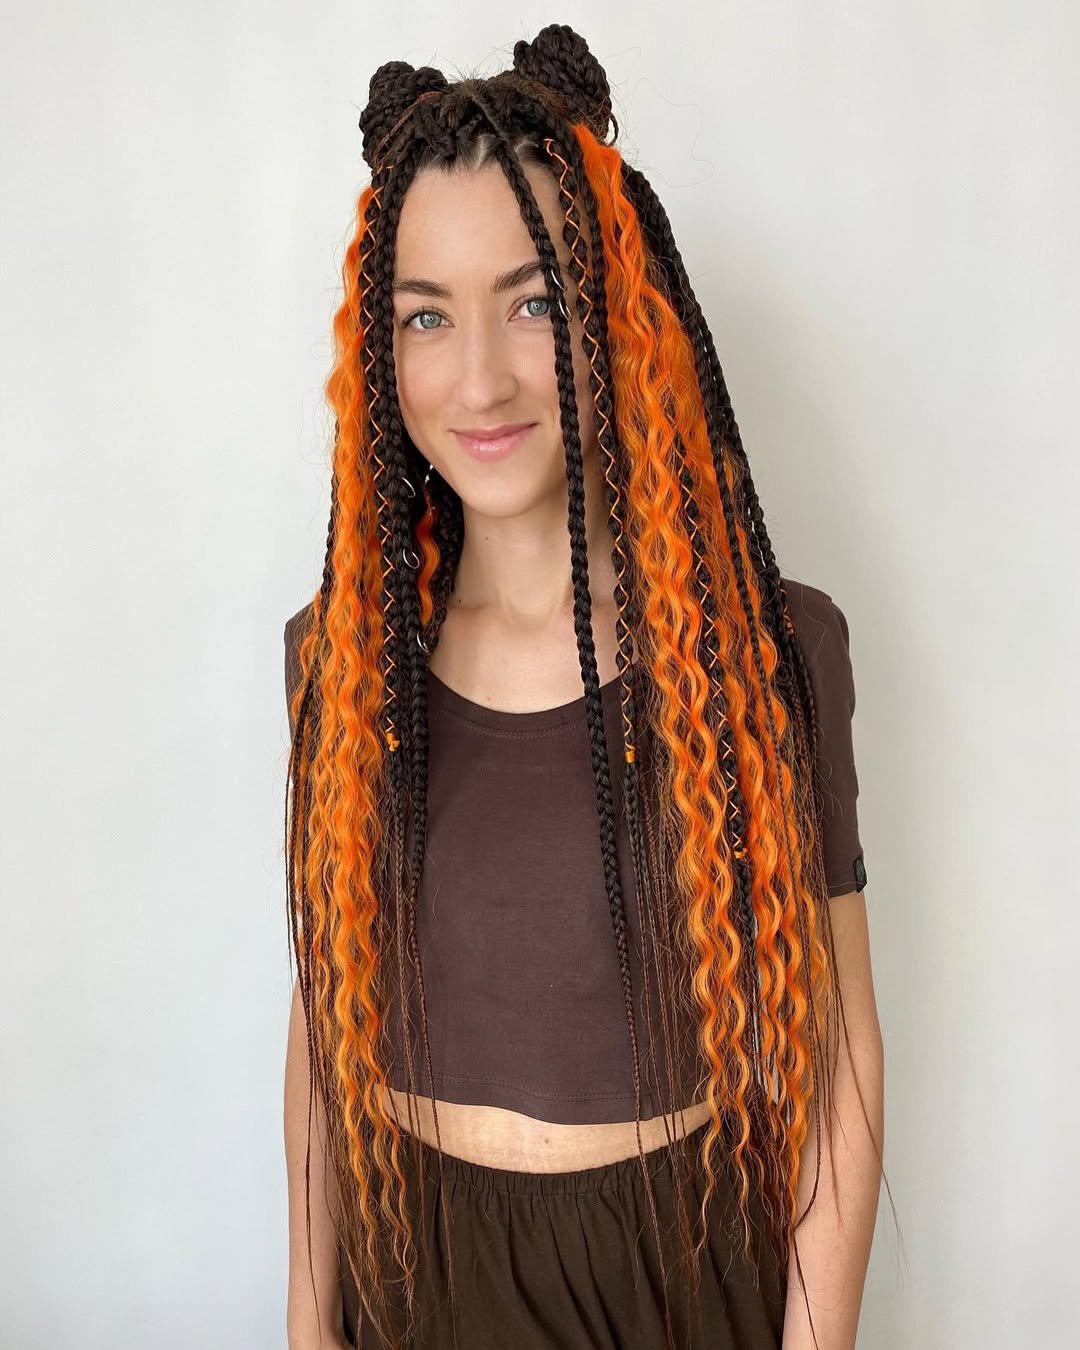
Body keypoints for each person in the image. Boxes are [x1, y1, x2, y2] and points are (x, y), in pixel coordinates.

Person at [283, 24, 885, 1350]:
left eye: (536, 298)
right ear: (380, 356)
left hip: (672, 1282)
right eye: (426, 315)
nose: (481, 375)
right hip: (414, 1282)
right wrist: (304, 1324)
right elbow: (322, 1033)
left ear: (617, 305)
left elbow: (839, 1055)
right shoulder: (339, 660)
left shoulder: (771, 655)